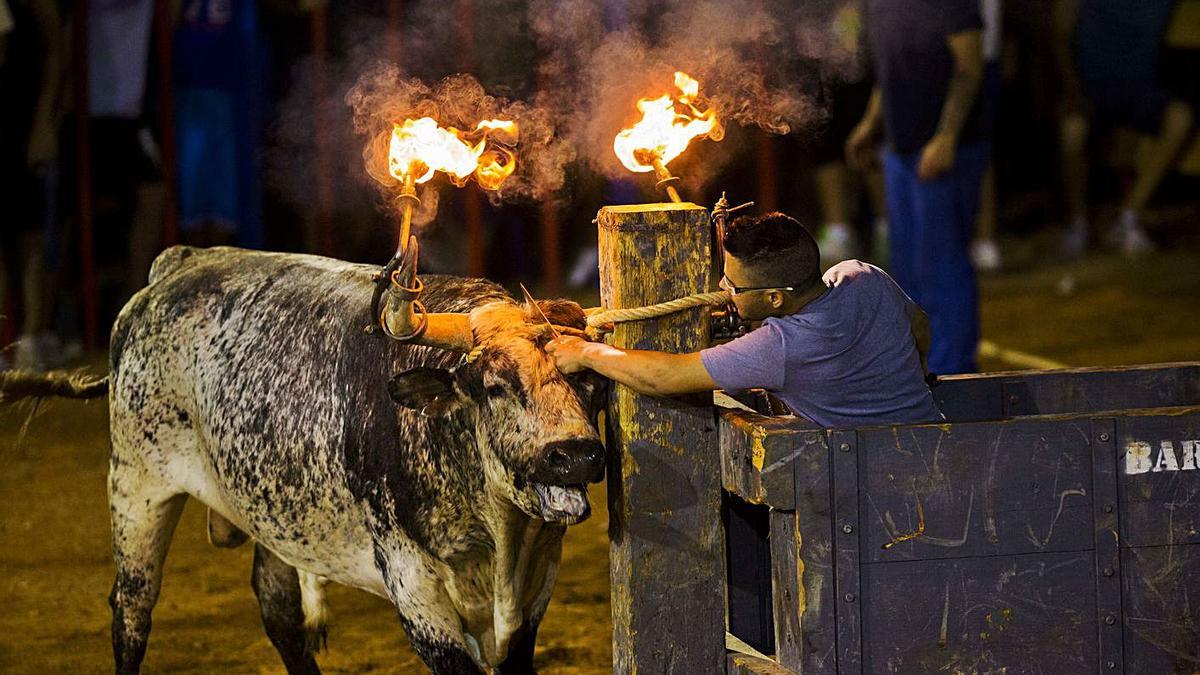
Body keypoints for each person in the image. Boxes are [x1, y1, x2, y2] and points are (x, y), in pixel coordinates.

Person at [546, 212, 943, 428]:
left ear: (774, 297)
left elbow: (664, 376)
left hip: (860, 473)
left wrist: (587, 352)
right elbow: (919, 326)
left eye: (733, 286)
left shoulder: (781, 347)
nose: (722, 286)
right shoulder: (863, 276)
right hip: (929, 435)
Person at [846, 0, 987, 375]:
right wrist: (871, 124)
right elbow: (889, 73)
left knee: (941, 266)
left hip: (945, 151)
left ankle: (954, 374)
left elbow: (970, 68)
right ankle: (918, 371)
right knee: (907, 271)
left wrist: (946, 138)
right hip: (901, 149)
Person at [1056, 0, 1193, 257]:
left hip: (1139, 90)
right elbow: (1058, 30)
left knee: (1179, 118)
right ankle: (1078, 222)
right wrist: (1072, 86)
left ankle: (1128, 218)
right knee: (1072, 131)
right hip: (1090, 87)